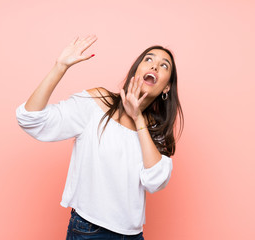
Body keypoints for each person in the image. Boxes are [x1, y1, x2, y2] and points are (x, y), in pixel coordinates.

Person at [16, 34, 184, 240]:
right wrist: (60, 66)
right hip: (89, 231)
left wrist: (138, 118)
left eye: (164, 65)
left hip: (133, 235)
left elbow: (155, 181)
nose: (155, 66)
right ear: (136, 70)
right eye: (148, 59)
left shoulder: (156, 130)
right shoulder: (96, 104)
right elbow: (31, 119)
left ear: (166, 87)